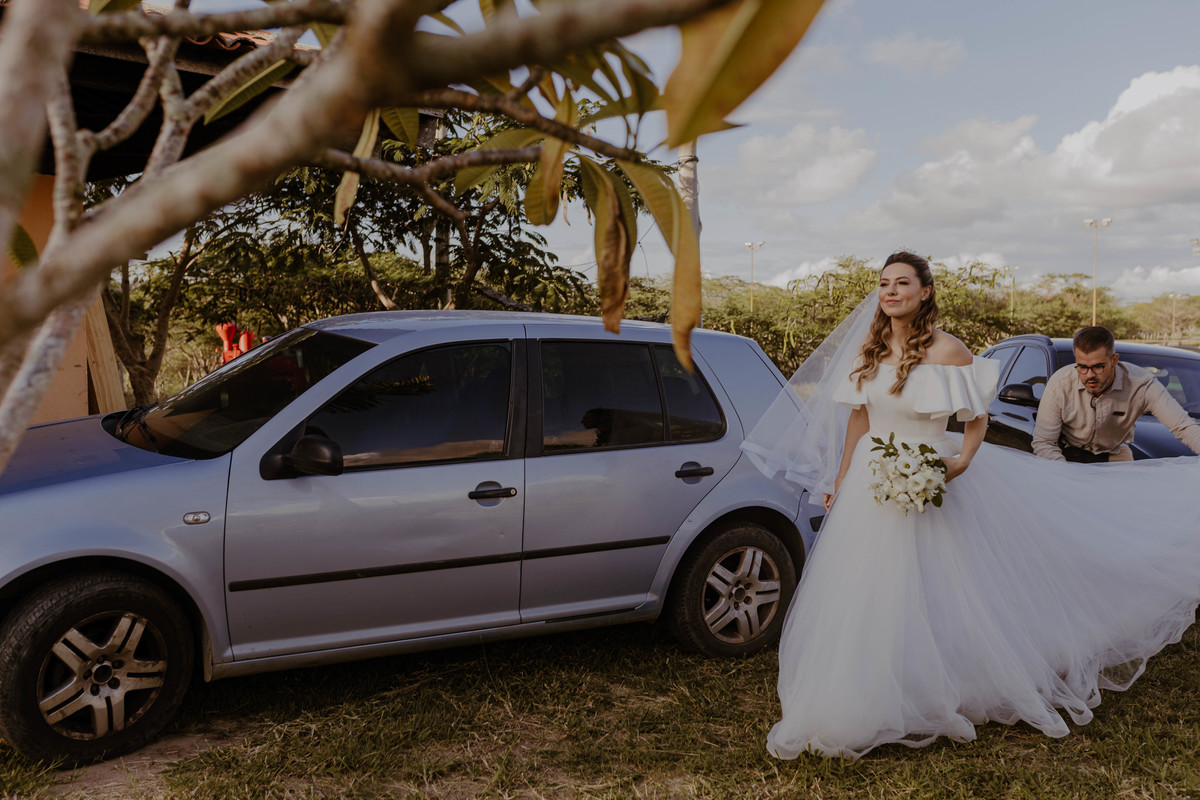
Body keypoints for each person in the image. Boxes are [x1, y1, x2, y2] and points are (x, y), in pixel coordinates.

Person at [742, 251, 1200, 760]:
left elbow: (975, 420)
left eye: (902, 284)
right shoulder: (868, 351)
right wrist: (841, 477)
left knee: (937, 585)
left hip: (931, 475)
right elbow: (858, 421)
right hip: (872, 482)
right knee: (868, 586)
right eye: (883, 284)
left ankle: (939, 684)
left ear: (925, 292)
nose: (890, 292)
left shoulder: (949, 351)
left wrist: (958, 463)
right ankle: (862, 690)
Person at [1032, 325, 1200, 462]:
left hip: (1115, 456)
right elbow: (1044, 443)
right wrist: (1067, 476)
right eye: (1082, 367)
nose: (1089, 375)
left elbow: (1184, 427)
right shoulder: (1060, 384)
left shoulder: (1143, 385)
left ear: (1114, 360)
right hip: (1065, 456)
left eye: (1098, 366)